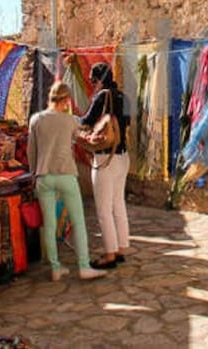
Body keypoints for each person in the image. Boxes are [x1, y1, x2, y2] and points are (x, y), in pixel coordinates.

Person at [27, 81, 108, 281]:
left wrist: (33, 174)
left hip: (43, 176)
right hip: (66, 175)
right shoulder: (70, 121)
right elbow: (81, 140)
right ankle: (83, 266)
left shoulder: (36, 120)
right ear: (65, 100)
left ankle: (55, 267)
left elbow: (32, 151)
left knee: (49, 224)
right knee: (78, 221)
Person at [80, 62, 131, 269]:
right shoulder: (123, 97)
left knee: (103, 209)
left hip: (105, 158)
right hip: (122, 156)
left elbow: (87, 120)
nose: (92, 84)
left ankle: (109, 255)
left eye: (93, 80)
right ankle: (120, 248)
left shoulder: (103, 97)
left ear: (99, 79)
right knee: (118, 204)